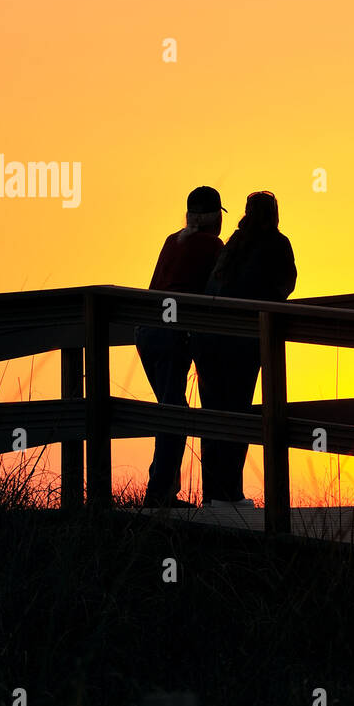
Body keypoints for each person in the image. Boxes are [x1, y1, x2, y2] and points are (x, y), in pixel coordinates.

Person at [192, 190, 297, 505]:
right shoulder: (278, 244)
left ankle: (213, 494)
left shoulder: (232, 244)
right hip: (242, 341)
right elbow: (285, 285)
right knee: (238, 414)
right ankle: (231, 494)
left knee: (213, 414)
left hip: (208, 339)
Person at [135, 185, 226, 508]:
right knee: (174, 414)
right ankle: (158, 494)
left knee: (169, 409)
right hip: (171, 336)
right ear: (216, 218)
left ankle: (163, 487)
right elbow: (219, 291)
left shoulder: (172, 240)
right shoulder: (213, 247)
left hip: (145, 331)